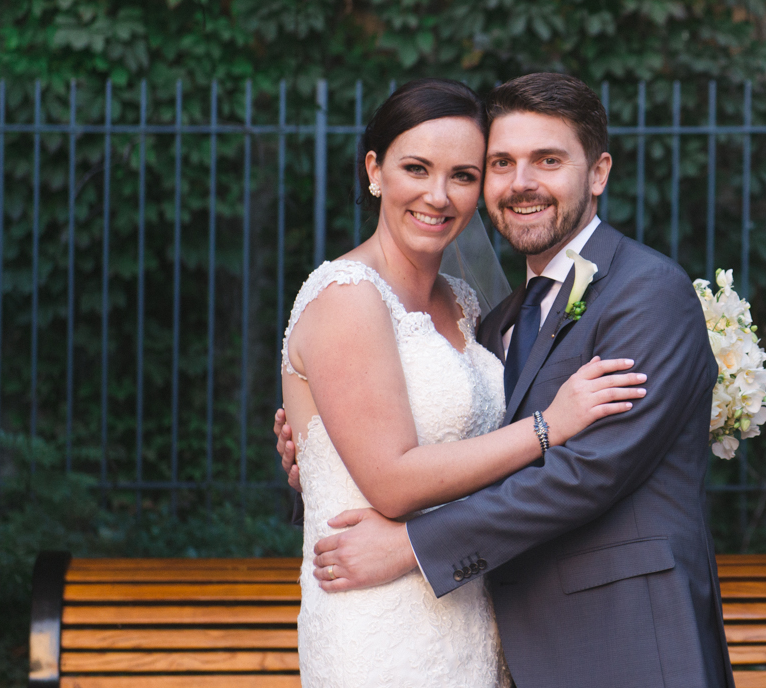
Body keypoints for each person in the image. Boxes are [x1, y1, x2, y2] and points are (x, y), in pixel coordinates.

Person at [275, 71, 735, 688]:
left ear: (597, 173)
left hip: (622, 641)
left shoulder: (644, 292)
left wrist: (412, 545)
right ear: (374, 171)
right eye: (501, 163)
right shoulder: (494, 317)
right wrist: (320, 454)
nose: (521, 183)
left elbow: (587, 472)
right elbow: (429, 457)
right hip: (424, 632)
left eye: (547, 160)